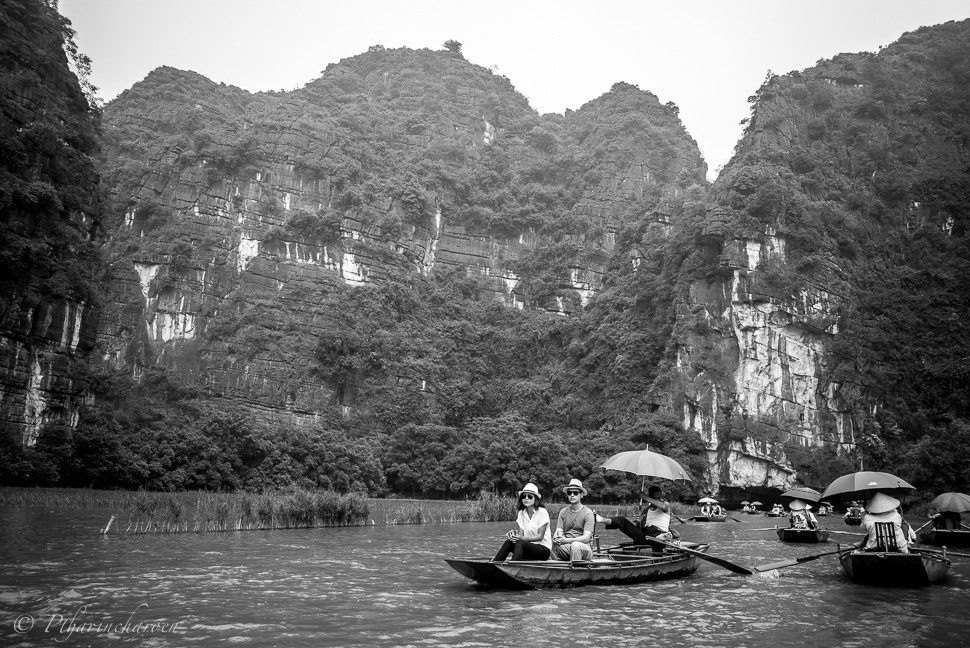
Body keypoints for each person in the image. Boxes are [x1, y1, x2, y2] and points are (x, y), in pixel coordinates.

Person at [492, 483, 552, 562]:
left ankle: (513, 567)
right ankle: (495, 563)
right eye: (524, 496)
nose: (526, 499)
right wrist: (514, 537)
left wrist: (522, 538)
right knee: (509, 542)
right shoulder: (521, 513)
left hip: (543, 550)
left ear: (536, 499)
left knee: (520, 543)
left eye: (530, 496)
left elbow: (540, 537)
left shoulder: (542, 512)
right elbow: (521, 535)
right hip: (526, 547)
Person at [596, 484, 675, 544]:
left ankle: (662, 537)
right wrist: (639, 522)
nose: (658, 499)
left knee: (658, 536)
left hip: (659, 533)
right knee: (622, 520)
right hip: (645, 536)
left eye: (659, 497)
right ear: (651, 497)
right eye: (655, 498)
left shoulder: (665, 505)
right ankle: (602, 519)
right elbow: (639, 528)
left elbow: (663, 506)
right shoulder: (646, 510)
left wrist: (645, 497)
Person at [551, 478, 595, 561]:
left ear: (581, 495)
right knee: (548, 544)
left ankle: (575, 571)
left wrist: (567, 540)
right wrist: (557, 538)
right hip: (567, 546)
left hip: (584, 547)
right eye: (569, 493)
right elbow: (558, 531)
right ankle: (557, 569)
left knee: (575, 545)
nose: (572, 495)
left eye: (575, 493)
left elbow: (586, 538)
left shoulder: (588, 513)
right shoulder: (563, 512)